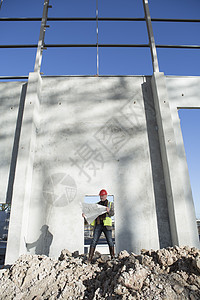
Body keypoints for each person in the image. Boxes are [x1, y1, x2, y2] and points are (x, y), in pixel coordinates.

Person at [84, 189, 115, 262]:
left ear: (106, 196)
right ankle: (90, 258)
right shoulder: (97, 204)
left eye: (103, 196)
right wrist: (85, 215)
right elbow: (92, 213)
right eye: (101, 196)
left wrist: (108, 211)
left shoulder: (110, 204)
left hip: (106, 226)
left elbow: (112, 213)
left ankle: (113, 257)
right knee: (94, 241)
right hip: (98, 224)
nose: (102, 197)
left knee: (110, 241)